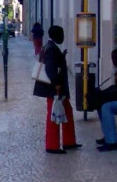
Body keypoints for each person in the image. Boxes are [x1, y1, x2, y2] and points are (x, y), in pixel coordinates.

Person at [33, 25, 81, 154]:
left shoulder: (51, 47)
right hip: (54, 88)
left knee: (67, 112)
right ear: (57, 36)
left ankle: (68, 142)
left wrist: (62, 57)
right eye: (62, 35)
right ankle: (52, 145)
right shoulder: (51, 49)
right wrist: (56, 85)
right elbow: (50, 68)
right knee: (53, 114)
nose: (64, 37)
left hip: (57, 87)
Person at [96, 49, 117, 152]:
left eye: (116, 58)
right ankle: (108, 135)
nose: (114, 61)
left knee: (106, 107)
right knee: (100, 104)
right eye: (112, 58)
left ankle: (112, 142)